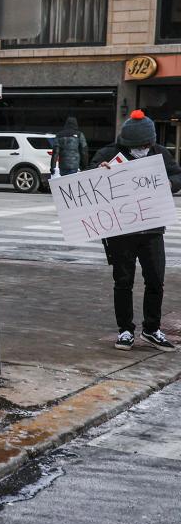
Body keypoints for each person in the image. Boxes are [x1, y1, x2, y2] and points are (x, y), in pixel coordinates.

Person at [87, 109, 181, 352]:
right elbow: (92, 169)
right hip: (121, 231)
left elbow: (177, 174)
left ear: (151, 141)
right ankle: (126, 330)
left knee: (155, 281)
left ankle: (151, 329)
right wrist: (100, 169)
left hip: (152, 229)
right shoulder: (111, 152)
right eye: (135, 145)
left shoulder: (160, 153)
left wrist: (170, 183)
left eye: (145, 144)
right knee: (123, 281)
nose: (141, 148)